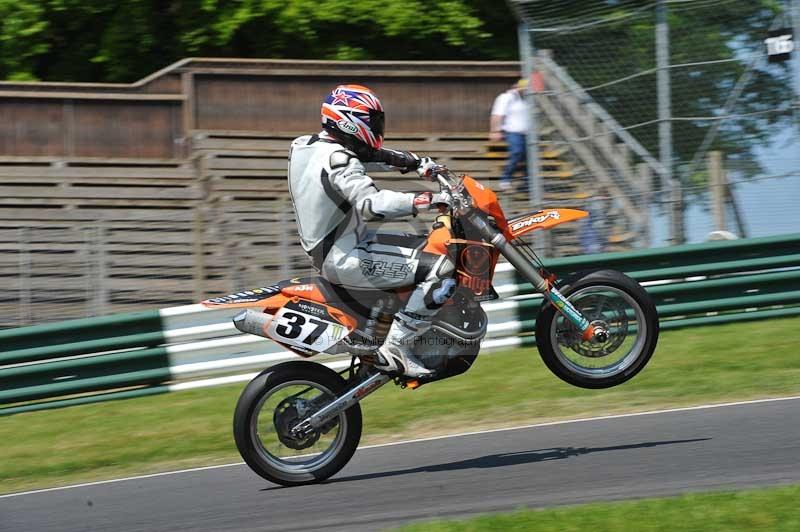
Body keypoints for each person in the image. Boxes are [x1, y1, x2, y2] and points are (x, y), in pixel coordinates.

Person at [287, 84, 456, 378]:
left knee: (427, 246)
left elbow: (371, 155)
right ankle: (397, 347)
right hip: (344, 255)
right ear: (349, 121)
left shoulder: (305, 146)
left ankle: (399, 329)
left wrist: (415, 162)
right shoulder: (339, 159)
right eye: (372, 120)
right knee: (442, 268)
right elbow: (370, 204)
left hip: (337, 246)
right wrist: (425, 199)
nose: (377, 127)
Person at [489, 79, 530, 192]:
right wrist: (495, 131)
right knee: (517, 152)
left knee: (528, 158)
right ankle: (506, 178)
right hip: (513, 132)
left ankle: (527, 183)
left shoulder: (529, 99)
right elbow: (497, 114)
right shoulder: (507, 97)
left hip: (528, 134)